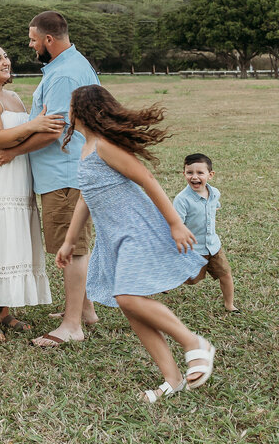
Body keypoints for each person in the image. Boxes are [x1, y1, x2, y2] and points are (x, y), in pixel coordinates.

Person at [56, 85, 216, 401]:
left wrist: (175, 223)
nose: (68, 112)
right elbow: (86, 198)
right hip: (113, 238)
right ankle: (172, 379)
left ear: (82, 111)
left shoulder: (104, 146)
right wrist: (69, 240)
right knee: (131, 309)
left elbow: (147, 179)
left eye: (71, 106)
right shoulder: (87, 149)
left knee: (127, 297)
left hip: (135, 231)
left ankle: (194, 343)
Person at [0, 11, 100, 347]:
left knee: (73, 248)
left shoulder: (64, 75)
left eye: (33, 39)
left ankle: (73, 325)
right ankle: (86, 309)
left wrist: (12, 152)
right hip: (65, 172)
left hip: (64, 173)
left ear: (49, 40)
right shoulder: (72, 65)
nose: (31, 45)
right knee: (73, 243)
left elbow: (54, 131)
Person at [0, 42, 66, 342]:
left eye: (6, 56)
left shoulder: (14, 97)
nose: (6, 61)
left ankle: (5, 309)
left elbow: (28, 134)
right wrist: (35, 124)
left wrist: (39, 126)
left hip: (18, 176)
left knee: (12, 236)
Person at [174, 153, 238, 313]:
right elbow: (176, 224)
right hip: (194, 250)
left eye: (200, 173)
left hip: (213, 246)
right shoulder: (182, 200)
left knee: (226, 274)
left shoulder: (214, 192)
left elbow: (214, 205)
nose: (194, 177)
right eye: (189, 173)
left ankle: (229, 305)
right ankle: (167, 278)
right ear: (184, 174)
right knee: (190, 279)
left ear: (210, 175)